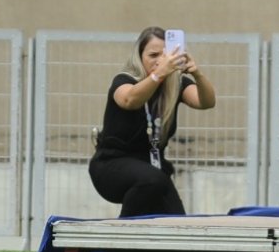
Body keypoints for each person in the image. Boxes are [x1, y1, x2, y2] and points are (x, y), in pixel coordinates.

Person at [89, 27, 216, 217]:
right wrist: (158, 75)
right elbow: (129, 100)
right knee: (152, 180)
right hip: (111, 166)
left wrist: (197, 73)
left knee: (177, 221)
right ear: (140, 57)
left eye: (165, 55)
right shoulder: (124, 80)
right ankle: (123, 233)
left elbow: (206, 102)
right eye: (153, 55)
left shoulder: (176, 85)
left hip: (153, 170)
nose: (160, 60)